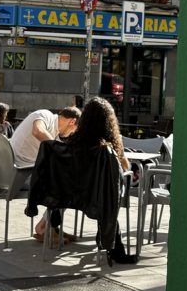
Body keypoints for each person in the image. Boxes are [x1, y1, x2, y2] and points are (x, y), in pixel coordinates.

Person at [27, 98, 138, 262]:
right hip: (97, 198)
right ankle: (115, 249)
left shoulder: (70, 143)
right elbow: (120, 172)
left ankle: (53, 223)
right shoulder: (105, 150)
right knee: (112, 189)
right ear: (109, 122)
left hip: (67, 194)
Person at [10, 106, 79, 240]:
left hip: (25, 171)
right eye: (74, 130)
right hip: (19, 175)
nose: (72, 134)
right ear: (72, 122)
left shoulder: (54, 135)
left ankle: (47, 226)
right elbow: (37, 131)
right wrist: (58, 149)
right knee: (65, 186)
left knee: (67, 182)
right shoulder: (44, 115)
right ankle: (46, 227)